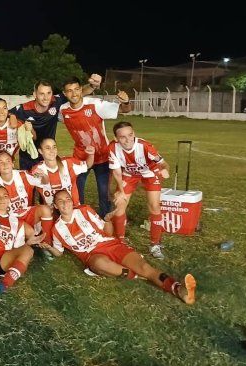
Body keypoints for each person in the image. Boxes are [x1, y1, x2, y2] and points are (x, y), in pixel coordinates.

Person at [49, 190, 196, 305]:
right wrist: (47, 247)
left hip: (112, 245)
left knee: (144, 267)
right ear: (55, 206)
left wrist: (107, 220)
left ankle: (179, 289)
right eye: (60, 201)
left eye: (67, 199)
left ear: (72, 201)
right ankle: (135, 275)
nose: (65, 203)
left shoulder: (84, 210)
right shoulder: (56, 229)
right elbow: (59, 252)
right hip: (93, 255)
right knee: (99, 263)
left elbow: (108, 233)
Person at [59, 76, 132, 217]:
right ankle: (79, 216)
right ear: (64, 94)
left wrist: (126, 102)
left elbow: (125, 110)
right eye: (69, 91)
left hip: (102, 156)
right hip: (80, 157)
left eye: (76, 89)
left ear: (81, 90)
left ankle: (104, 219)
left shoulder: (95, 104)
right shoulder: (63, 110)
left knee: (103, 191)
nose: (73, 94)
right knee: (76, 189)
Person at [108, 121, 170, 259]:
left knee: (154, 206)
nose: (128, 139)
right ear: (116, 138)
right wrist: (121, 191)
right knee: (119, 204)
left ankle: (155, 244)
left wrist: (165, 169)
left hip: (149, 173)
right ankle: (120, 241)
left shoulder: (145, 146)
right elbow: (117, 172)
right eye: (123, 137)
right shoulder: (113, 148)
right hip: (129, 175)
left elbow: (163, 163)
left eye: (130, 135)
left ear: (134, 134)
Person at [10, 76, 101, 170]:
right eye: (41, 94)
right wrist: (13, 118)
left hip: (49, 155)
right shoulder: (23, 109)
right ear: (34, 94)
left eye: (49, 93)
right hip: (27, 158)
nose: (46, 98)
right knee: (29, 183)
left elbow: (78, 93)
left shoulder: (56, 101)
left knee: (50, 183)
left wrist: (92, 86)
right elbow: (5, 113)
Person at [0, 151, 55, 255]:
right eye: (1, 162)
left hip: (27, 213)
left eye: (8, 161)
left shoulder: (23, 175)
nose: (5, 164)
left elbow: (44, 182)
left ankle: (47, 246)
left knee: (45, 210)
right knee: (31, 234)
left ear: (13, 164)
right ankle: (24, 245)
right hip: (12, 219)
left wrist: (44, 175)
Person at [30, 137, 93, 209]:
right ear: (40, 151)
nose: (52, 151)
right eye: (48, 148)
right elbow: (44, 182)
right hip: (51, 211)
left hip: (73, 208)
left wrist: (91, 154)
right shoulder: (37, 169)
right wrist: (44, 175)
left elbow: (87, 165)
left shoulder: (68, 163)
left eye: (54, 147)